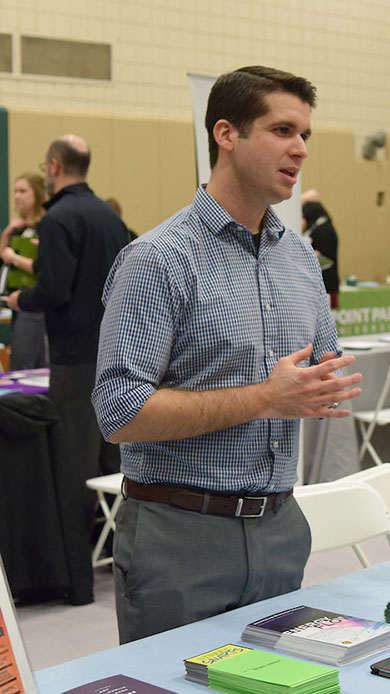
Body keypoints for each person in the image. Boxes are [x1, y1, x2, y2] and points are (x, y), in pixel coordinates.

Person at [91, 66, 362, 643]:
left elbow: (321, 376)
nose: (300, 149)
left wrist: (319, 388)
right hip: (180, 536)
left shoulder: (302, 261)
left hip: (280, 527)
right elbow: (119, 414)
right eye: (282, 130)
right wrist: (267, 397)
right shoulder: (158, 261)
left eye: (306, 135)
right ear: (226, 134)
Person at [5, 136, 130, 606]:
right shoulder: (111, 217)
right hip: (116, 356)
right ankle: (120, 565)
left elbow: (54, 290)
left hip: (76, 361)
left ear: (53, 166)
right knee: (115, 467)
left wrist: (21, 300)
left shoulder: (58, 218)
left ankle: (79, 586)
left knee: (72, 473)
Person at [0, 173, 48, 369]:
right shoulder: (18, 230)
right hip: (17, 303)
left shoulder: (46, 227)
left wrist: (15, 259)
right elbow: (3, 259)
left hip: (35, 304)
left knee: (25, 365)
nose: (17, 197)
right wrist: (6, 234)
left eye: (22, 191)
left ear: (36, 195)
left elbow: (46, 269)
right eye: (15, 192)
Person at [300, 190, 340, 308]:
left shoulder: (324, 230)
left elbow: (322, 254)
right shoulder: (318, 228)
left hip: (326, 283)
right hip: (321, 282)